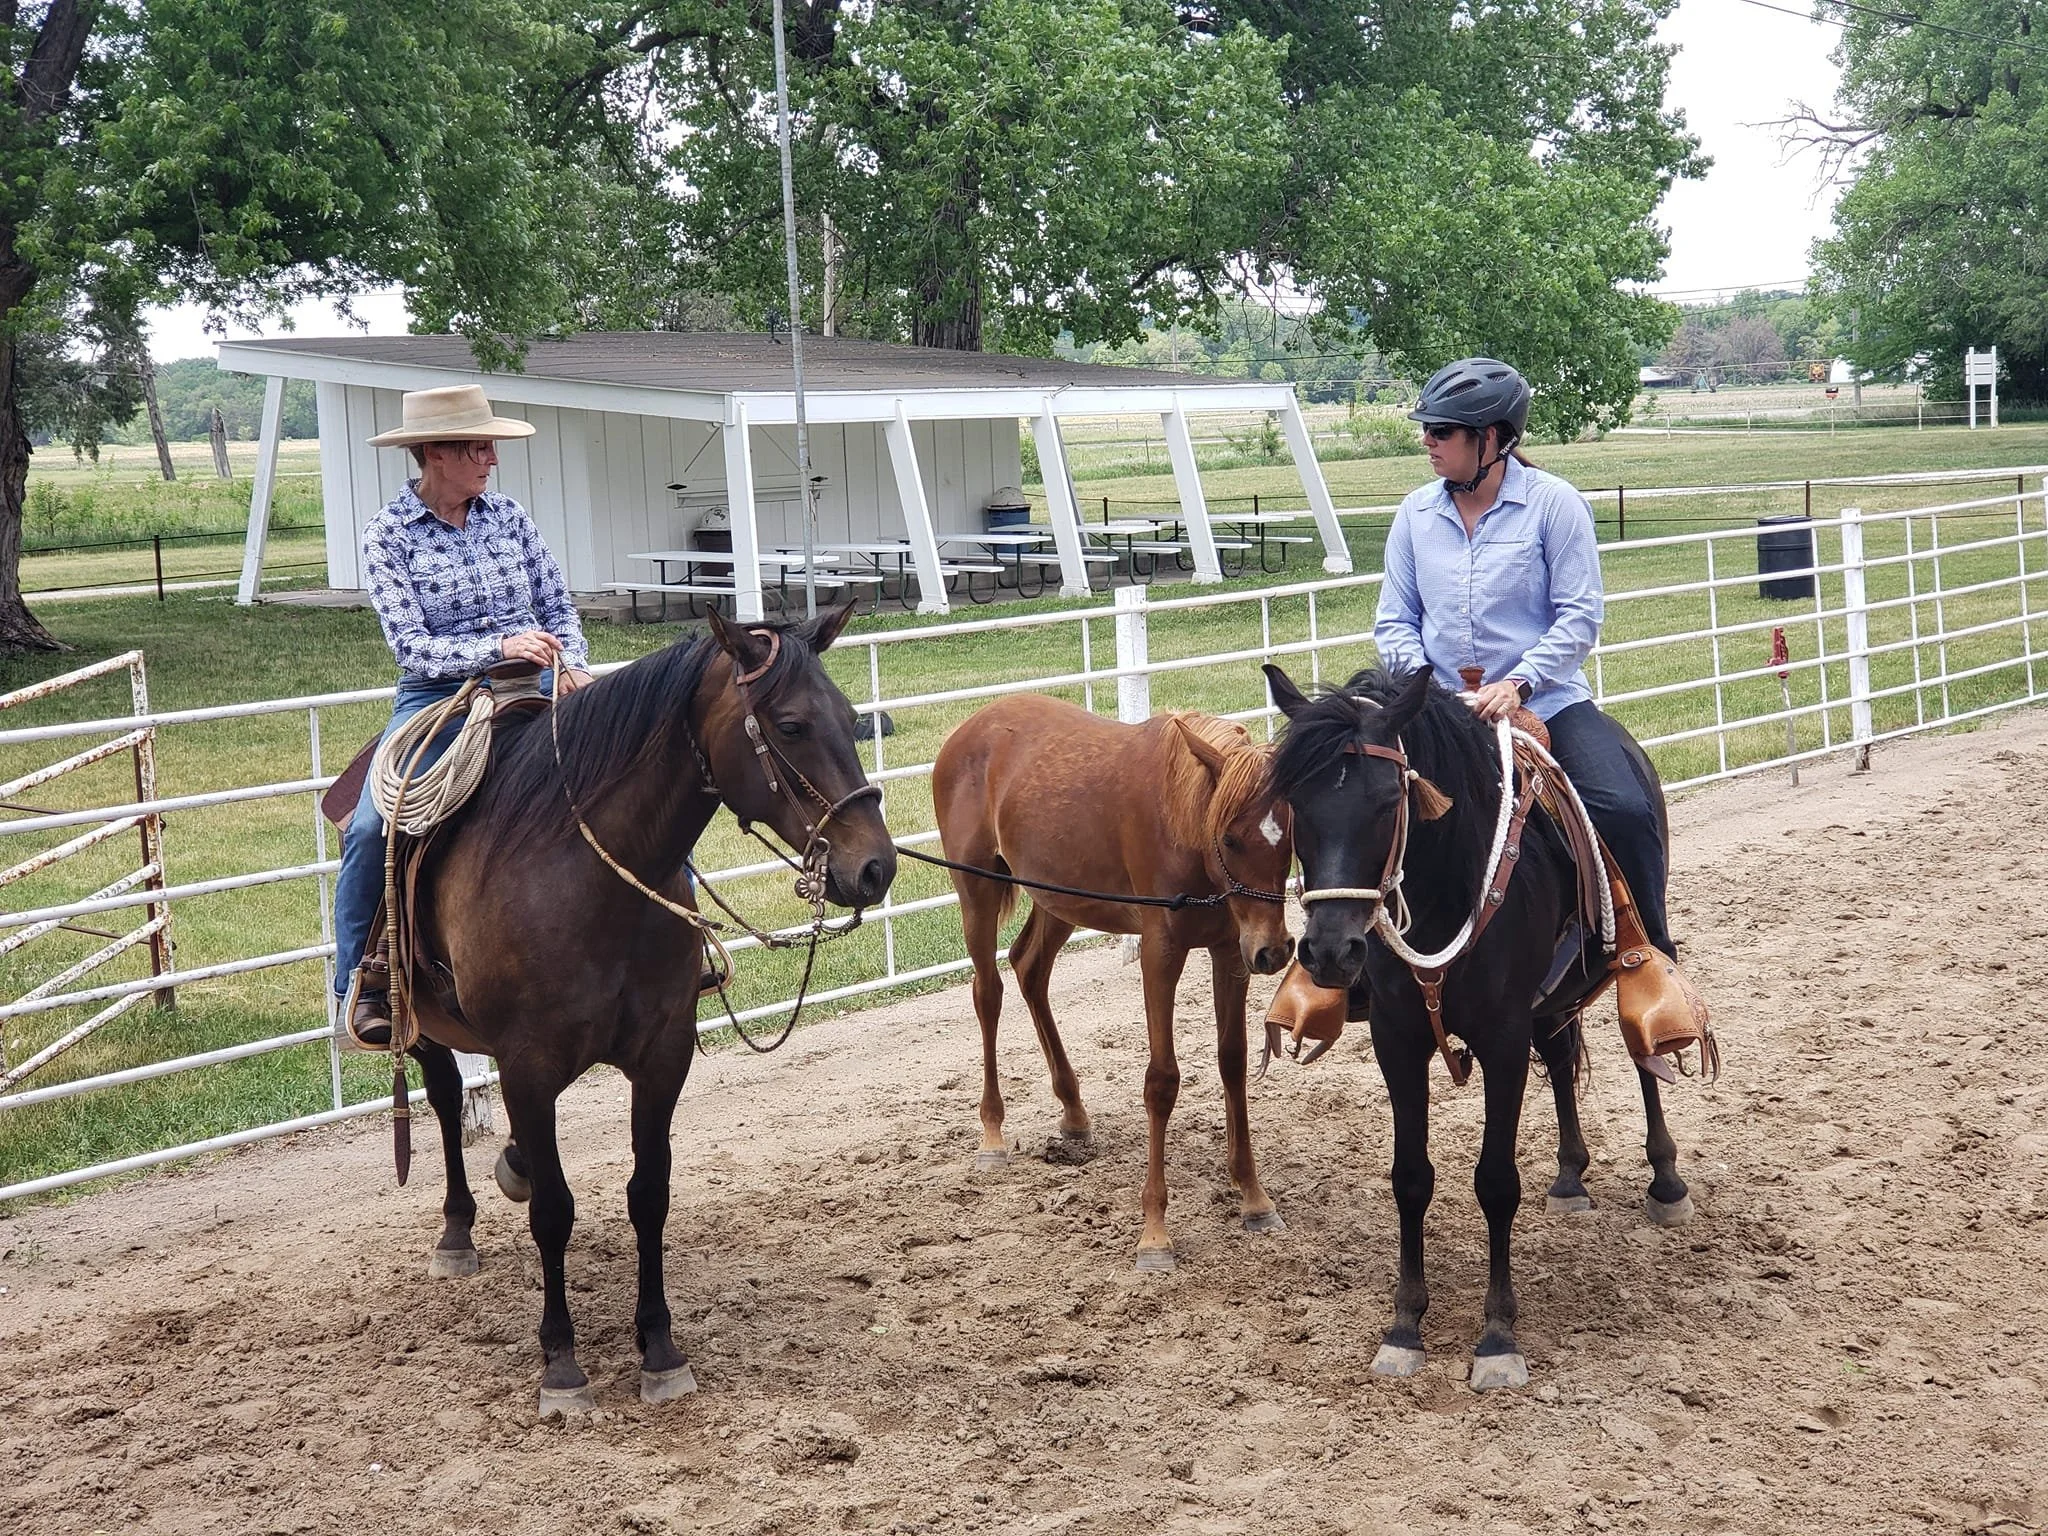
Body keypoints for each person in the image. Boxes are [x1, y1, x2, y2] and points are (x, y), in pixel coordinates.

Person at [1373, 357, 1675, 956]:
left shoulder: (1555, 505)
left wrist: (1519, 684)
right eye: (1427, 429)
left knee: (1623, 809)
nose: (1427, 441)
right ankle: (1341, 974)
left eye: (1441, 431)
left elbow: (1579, 616)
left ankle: (1650, 962)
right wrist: (1426, 692)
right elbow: (1395, 621)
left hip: (1549, 704)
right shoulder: (1414, 514)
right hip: (1438, 712)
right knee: (1353, 805)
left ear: (1489, 439)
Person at [332, 384, 594, 1044]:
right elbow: (411, 646)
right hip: (439, 698)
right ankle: (361, 980)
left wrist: (574, 664)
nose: (491, 460)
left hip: (539, 680)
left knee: (636, 762)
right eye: (479, 448)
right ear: (436, 454)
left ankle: (679, 930)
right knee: (370, 828)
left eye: (490, 446)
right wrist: (497, 647)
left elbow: (558, 607)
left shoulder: (511, 518)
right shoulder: (389, 536)